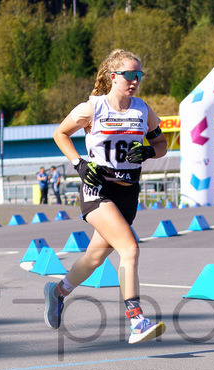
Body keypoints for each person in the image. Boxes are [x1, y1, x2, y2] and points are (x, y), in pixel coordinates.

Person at [44, 49, 168, 344]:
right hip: (98, 190)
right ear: (113, 77)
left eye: (139, 75)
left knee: (94, 257)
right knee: (130, 248)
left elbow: (162, 143)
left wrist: (150, 151)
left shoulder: (142, 110)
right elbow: (60, 134)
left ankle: (57, 291)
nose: (136, 80)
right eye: (130, 75)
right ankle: (137, 319)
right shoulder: (92, 108)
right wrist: (79, 163)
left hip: (128, 194)